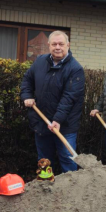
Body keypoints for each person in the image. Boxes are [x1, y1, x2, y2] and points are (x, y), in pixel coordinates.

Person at [20, 30, 85, 173]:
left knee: (68, 160)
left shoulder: (75, 69)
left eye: (61, 44)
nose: (57, 47)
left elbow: (69, 98)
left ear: (68, 45)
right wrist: (26, 96)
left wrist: (57, 119)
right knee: (44, 160)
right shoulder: (40, 61)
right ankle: (45, 187)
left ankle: (70, 191)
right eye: (54, 44)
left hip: (65, 126)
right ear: (48, 45)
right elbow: (27, 81)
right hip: (42, 123)